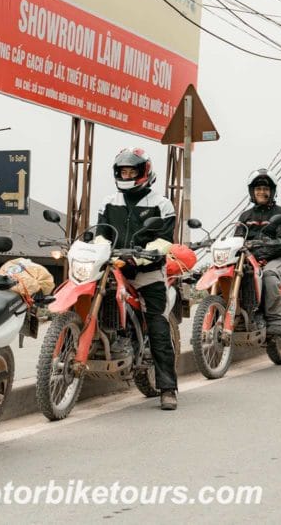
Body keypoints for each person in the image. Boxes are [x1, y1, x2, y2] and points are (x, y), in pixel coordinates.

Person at [98, 148, 179, 411]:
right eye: (123, 171)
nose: (127, 175)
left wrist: (139, 258)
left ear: (144, 172)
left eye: (132, 171)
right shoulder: (109, 202)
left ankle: (168, 388)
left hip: (147, 272)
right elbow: (101, 236)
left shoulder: (161, 203)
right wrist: (98, 252)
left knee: (157, 324)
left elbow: (164, 242)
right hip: (115, 269)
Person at [236, 169, 281, 338]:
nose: (262, 192)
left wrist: (260, 252)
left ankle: (274, 320)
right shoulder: (245, 215)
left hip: (276, 258)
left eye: (265, 189)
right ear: (252, 192)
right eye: (258, 189)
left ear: (272, 191)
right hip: (249, 258)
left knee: (268, 276)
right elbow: (238, 237)